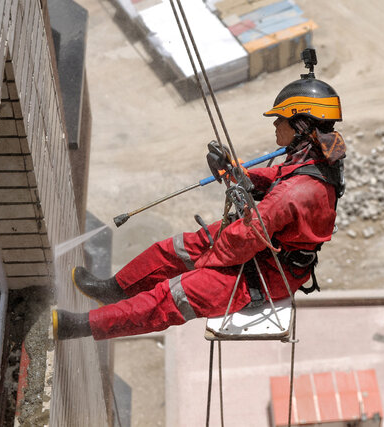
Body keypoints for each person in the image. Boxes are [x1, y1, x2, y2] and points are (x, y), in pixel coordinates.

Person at [52, 57, 346, 341]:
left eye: (280, 120)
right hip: (265, 250)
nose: (275, 126)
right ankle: (113, 289)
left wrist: (205, 261)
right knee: (173, 249)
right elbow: (279, 177)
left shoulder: (295, 192)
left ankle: (76, 326)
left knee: (173, 295)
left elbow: (246, 237)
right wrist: (235, 173)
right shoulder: (314, 161)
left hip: (267, 275)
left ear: (300, 125)